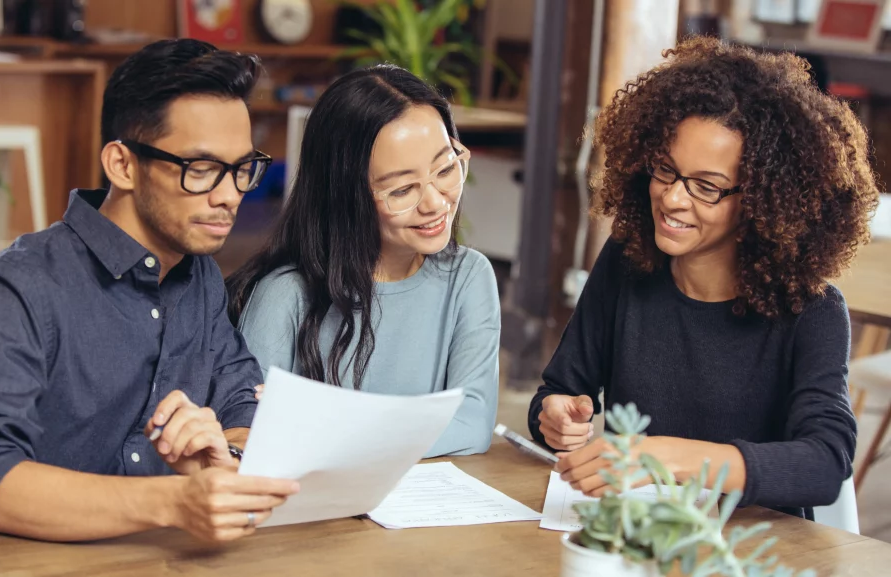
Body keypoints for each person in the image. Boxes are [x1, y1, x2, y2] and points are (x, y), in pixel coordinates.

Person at [0, 39, 299, 544]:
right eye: (201, 169)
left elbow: (241, 401)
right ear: (122, 165)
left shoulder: (199, 275)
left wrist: (225, 456)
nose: (229, 194)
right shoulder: (15, 289)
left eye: (240, 170)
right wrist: (174, 502)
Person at [529, 37, 880, 520]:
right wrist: (556, 418)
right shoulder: (628, 262)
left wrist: (664, 457)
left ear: (762, 201)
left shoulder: (811, 309)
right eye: (665, 171)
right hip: (640, 539)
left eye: (706, 187)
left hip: (758, 554)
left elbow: (824, 463)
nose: (673, 199)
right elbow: (557, 392)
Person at [226, 65, 500, 458]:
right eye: (402, 189)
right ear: (344, 195)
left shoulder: (468, 278)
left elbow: (472, 425)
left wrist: (328, 421)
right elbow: (252, 434)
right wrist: (404, 428)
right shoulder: (285, 294)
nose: (436, 202)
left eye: (445, 168)